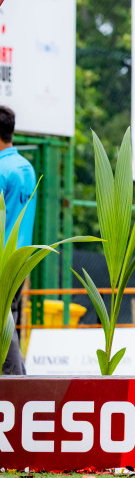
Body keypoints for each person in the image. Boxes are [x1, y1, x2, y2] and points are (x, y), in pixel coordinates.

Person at [0, 107, 37, 376]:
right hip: (21, 260)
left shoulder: (2, 170)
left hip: (3, 260)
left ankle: (18, 383)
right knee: (8, 318)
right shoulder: (26, 167)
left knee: (4, 324)